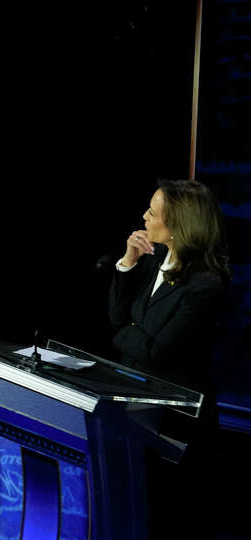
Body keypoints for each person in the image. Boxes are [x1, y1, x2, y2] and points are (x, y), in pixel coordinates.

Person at [109, 178, 230, 539]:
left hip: (175, 421)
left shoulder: (206, 284)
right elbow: (118, 318)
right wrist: (128, 263)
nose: (144, 217)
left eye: (153, 212)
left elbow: (157, 352)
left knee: (166, 521)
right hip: (133, 406)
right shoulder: (153, 259)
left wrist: (124, 331)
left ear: (178, 225)